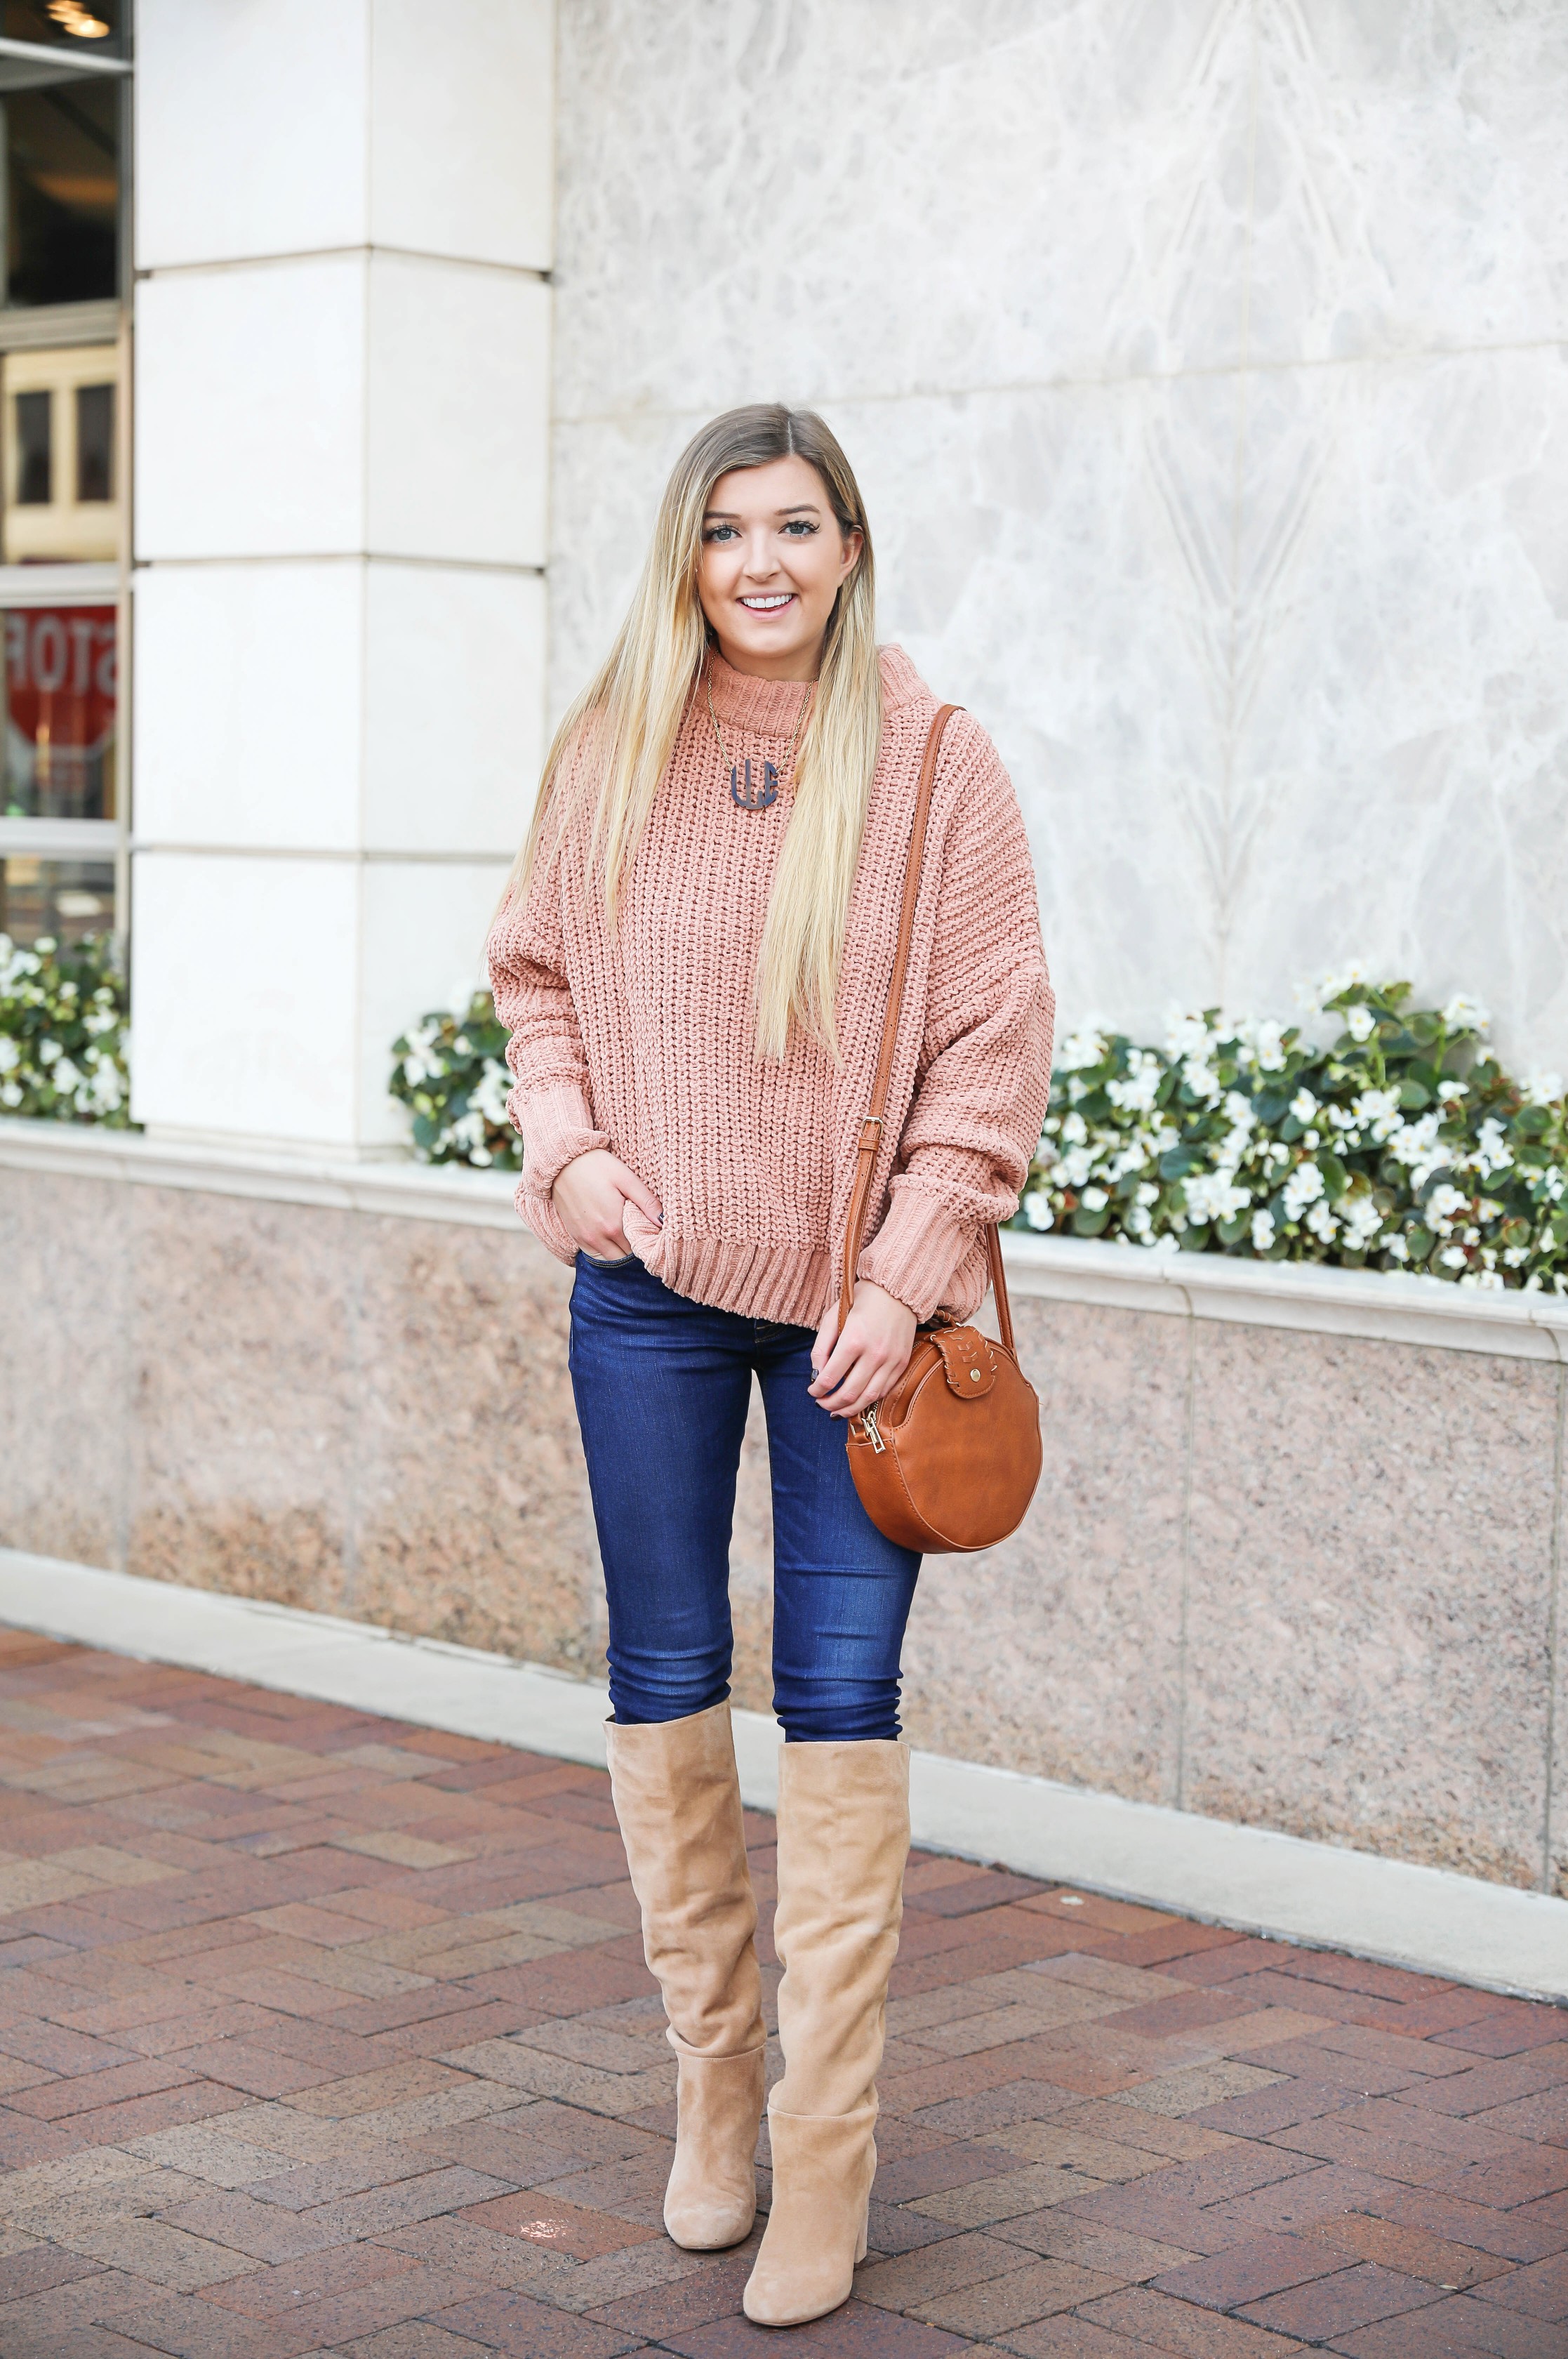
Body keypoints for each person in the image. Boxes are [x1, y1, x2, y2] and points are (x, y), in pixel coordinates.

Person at [487, 404, 1052, 2327]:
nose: (761, 562)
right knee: (660, 1673)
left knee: (838, 1692)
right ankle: (713, 2092)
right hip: (645, 1290)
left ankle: (830, 2152)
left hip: (858, 1322)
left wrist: (904, 1276)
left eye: (796, 526)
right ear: (687, 554)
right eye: (728, 529)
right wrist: (575, 1159)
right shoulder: (611, 747)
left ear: (845, 548)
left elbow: (995, 1045)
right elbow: (535, 979)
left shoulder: (937, 768)